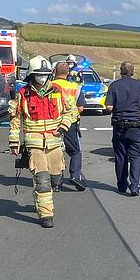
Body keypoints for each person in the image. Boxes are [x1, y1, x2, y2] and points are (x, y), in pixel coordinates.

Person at [9, 55, 75, 228]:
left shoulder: (58, 91)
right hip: (35, 143)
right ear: (32, 75)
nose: (43, 77)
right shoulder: (23, 94)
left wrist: (63, 127)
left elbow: (71, 112)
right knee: (42, 179)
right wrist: (14, 142)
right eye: (39, 74)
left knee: (55, 178)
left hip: (54, 142)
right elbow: (15, 118)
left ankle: (42, 198)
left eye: (45, 74)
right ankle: (46, 214)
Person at [105, 61, 140, 196]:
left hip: (119, 126)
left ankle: (122, 185)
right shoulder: (139, 85)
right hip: (136, 126)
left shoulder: (114, 86)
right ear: (132, 72)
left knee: (120, 156)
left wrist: (119, 110)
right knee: (135, 157)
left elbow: (109, 107)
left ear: (120, 72)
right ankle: (134, 186)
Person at [52, 62, 86, 191]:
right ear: (68, 73)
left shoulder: (49, 86)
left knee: (55, 151)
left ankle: (56, 182)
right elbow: (81, 108)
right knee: (75, 151)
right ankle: (75, 176)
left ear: (55, 72)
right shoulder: (75, 87)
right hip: (70, 123)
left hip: (52, 123)